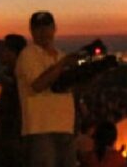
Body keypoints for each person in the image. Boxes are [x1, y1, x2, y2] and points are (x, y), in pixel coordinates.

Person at [16, 10, 79, 167]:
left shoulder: (61, 55)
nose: (43, 32)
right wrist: (62, 65)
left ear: (54, 28)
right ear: (31, 31)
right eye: (38, 28)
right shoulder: (28, 55)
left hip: (65, 126)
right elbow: (38, 85)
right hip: (40, 128)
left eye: (47, 27)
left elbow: (72, 90)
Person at [0, 33, 27, 167]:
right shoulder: (9, 77)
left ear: (13, 52)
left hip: (15, 139)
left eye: (4, 49)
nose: (1, 53)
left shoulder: (22, 78)